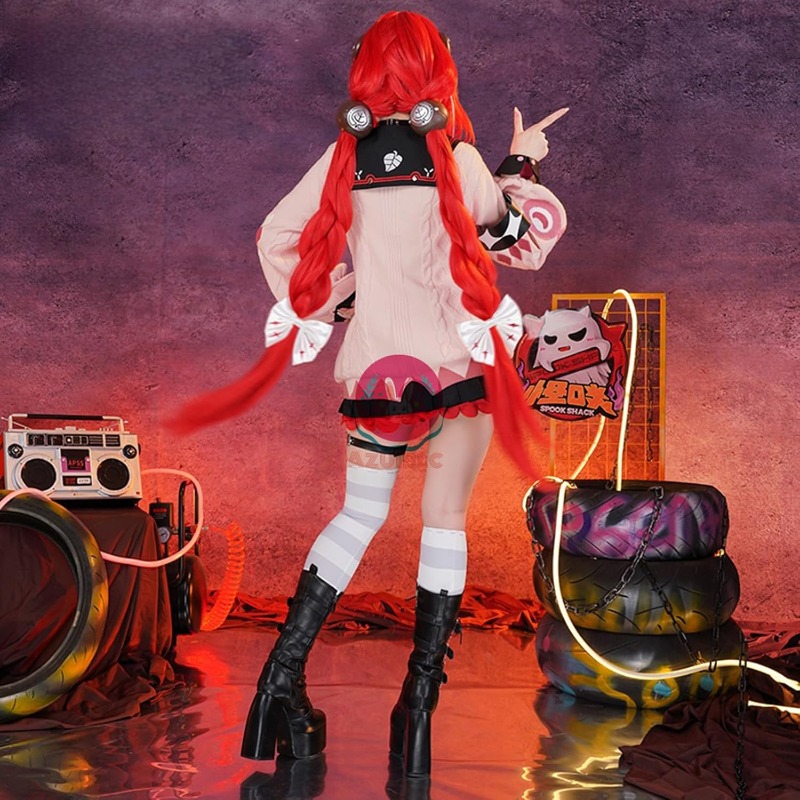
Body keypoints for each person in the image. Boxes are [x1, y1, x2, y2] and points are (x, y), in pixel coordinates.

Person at [175, 9, 567, 779]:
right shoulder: (458, 158)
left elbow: (273, 238)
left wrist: (337, 301)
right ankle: (415, 713)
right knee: (444, 522)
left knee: (358, 517)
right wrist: (523, 160)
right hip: (456, 371)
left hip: (377, 374)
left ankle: (279, 679)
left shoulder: (344, 158)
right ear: (437, 67)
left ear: (367, 70)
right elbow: (517, 241)